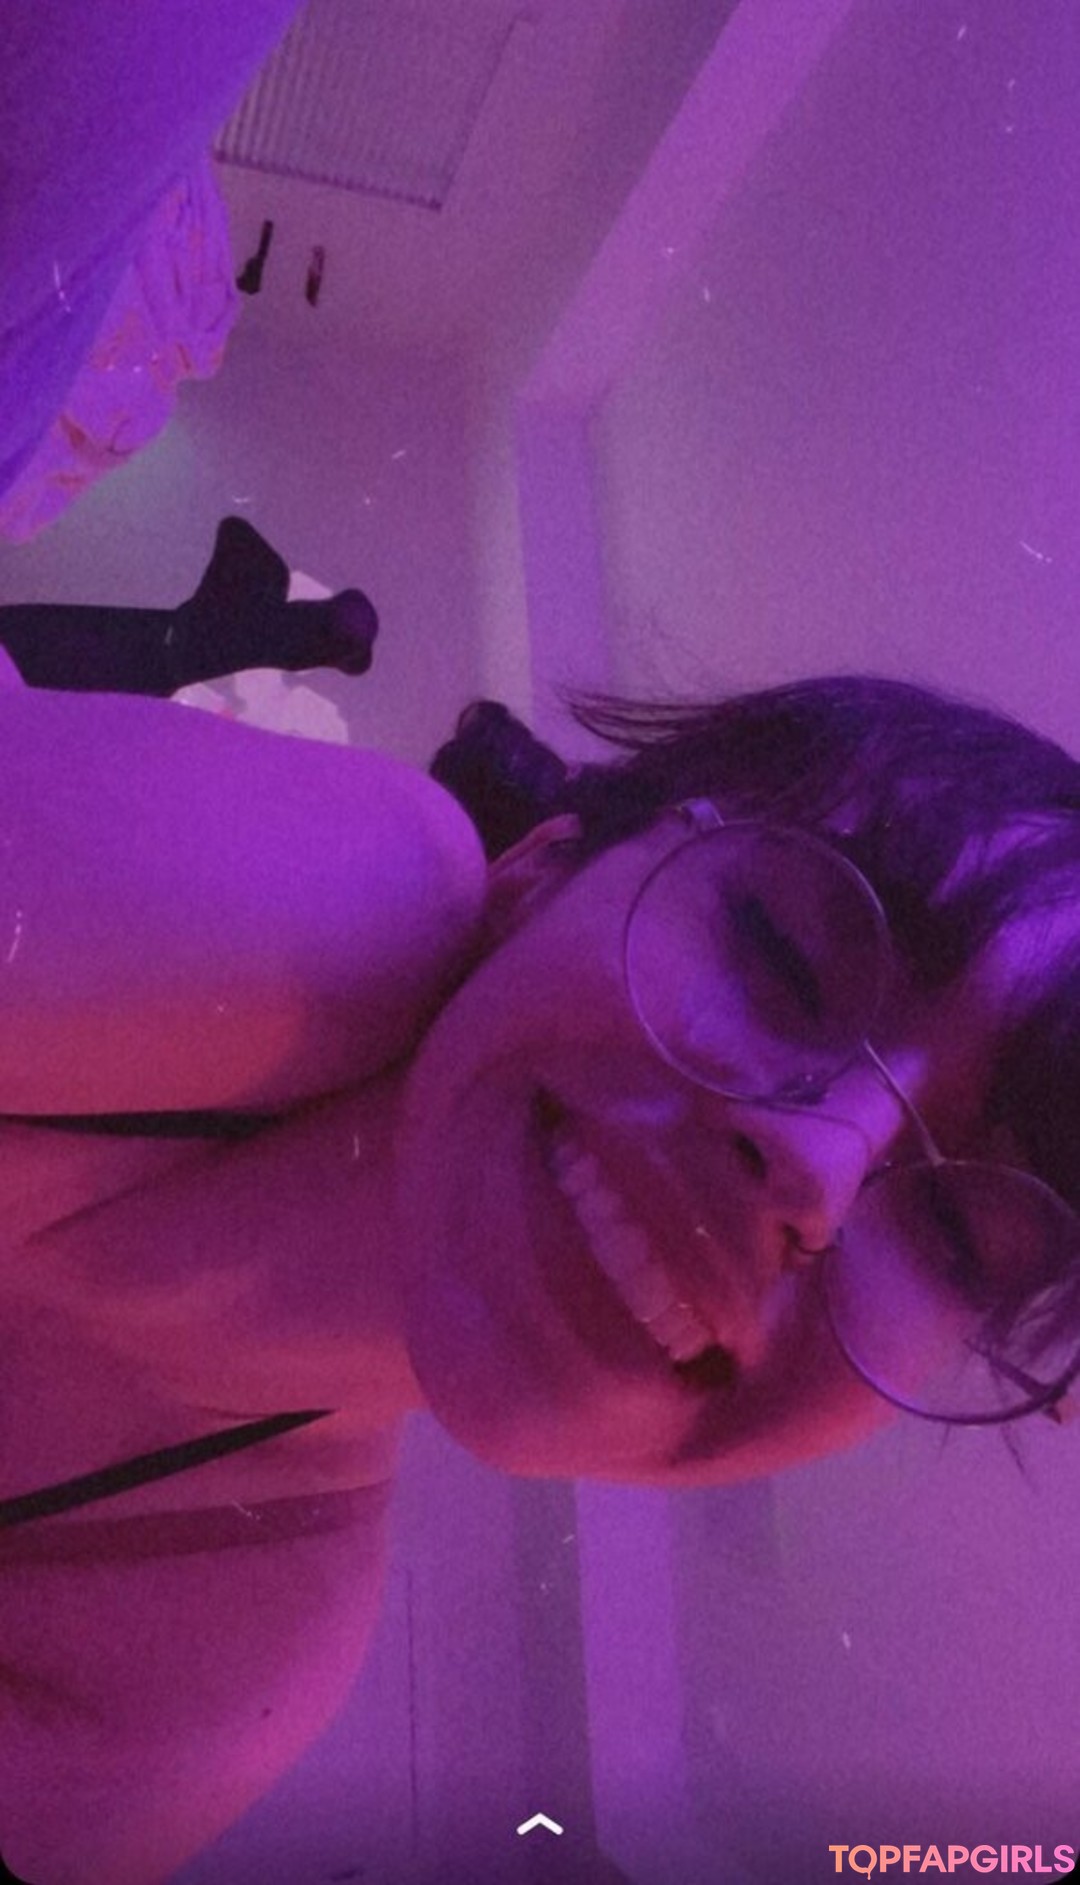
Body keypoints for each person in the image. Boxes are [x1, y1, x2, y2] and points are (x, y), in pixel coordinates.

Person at [0, 668, 1078, 1880]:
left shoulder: (223, 1664)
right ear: (541, 869)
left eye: (955, 1232)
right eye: (781, 953)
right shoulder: (354, 886)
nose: (815, 1164)